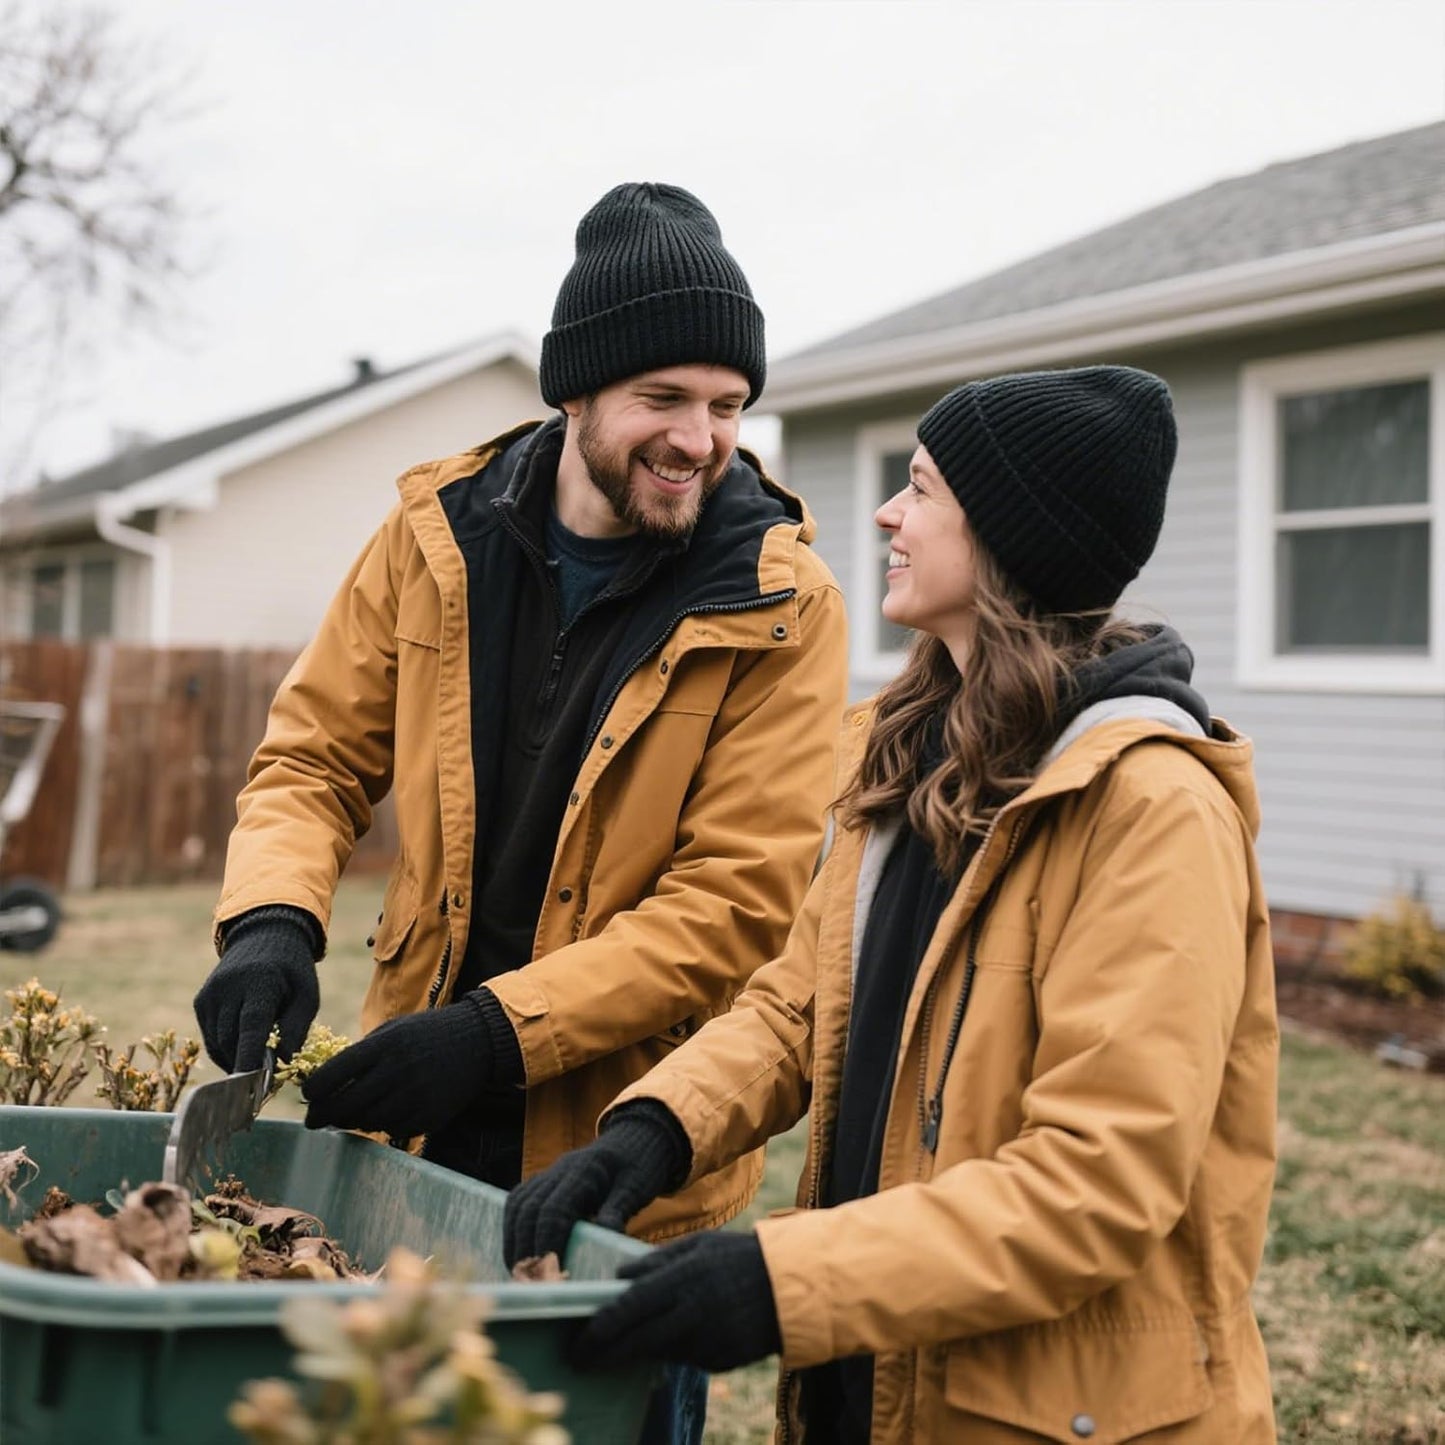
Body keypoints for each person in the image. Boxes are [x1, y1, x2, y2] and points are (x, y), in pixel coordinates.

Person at [504, 365, 1280, 1444]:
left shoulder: (1147, 807)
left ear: (1008, 538)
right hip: (872, 1378)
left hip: (1049, 1413)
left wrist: (781, 1279)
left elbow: (1094, 1181)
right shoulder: (913, 752)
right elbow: (795, 1007)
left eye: (919, 488)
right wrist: (650, 1130)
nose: (884, 512)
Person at [193, 181, 849, 1445]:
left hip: (616, 1164)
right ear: (576, 393)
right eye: (663, 398)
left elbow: (731, 908)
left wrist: (494, 1034)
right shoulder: (430, 538)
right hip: (413, 1130)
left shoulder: (783, 602)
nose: (699, 439)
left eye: (725, 405)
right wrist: (269, 919)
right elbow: (313, 754)